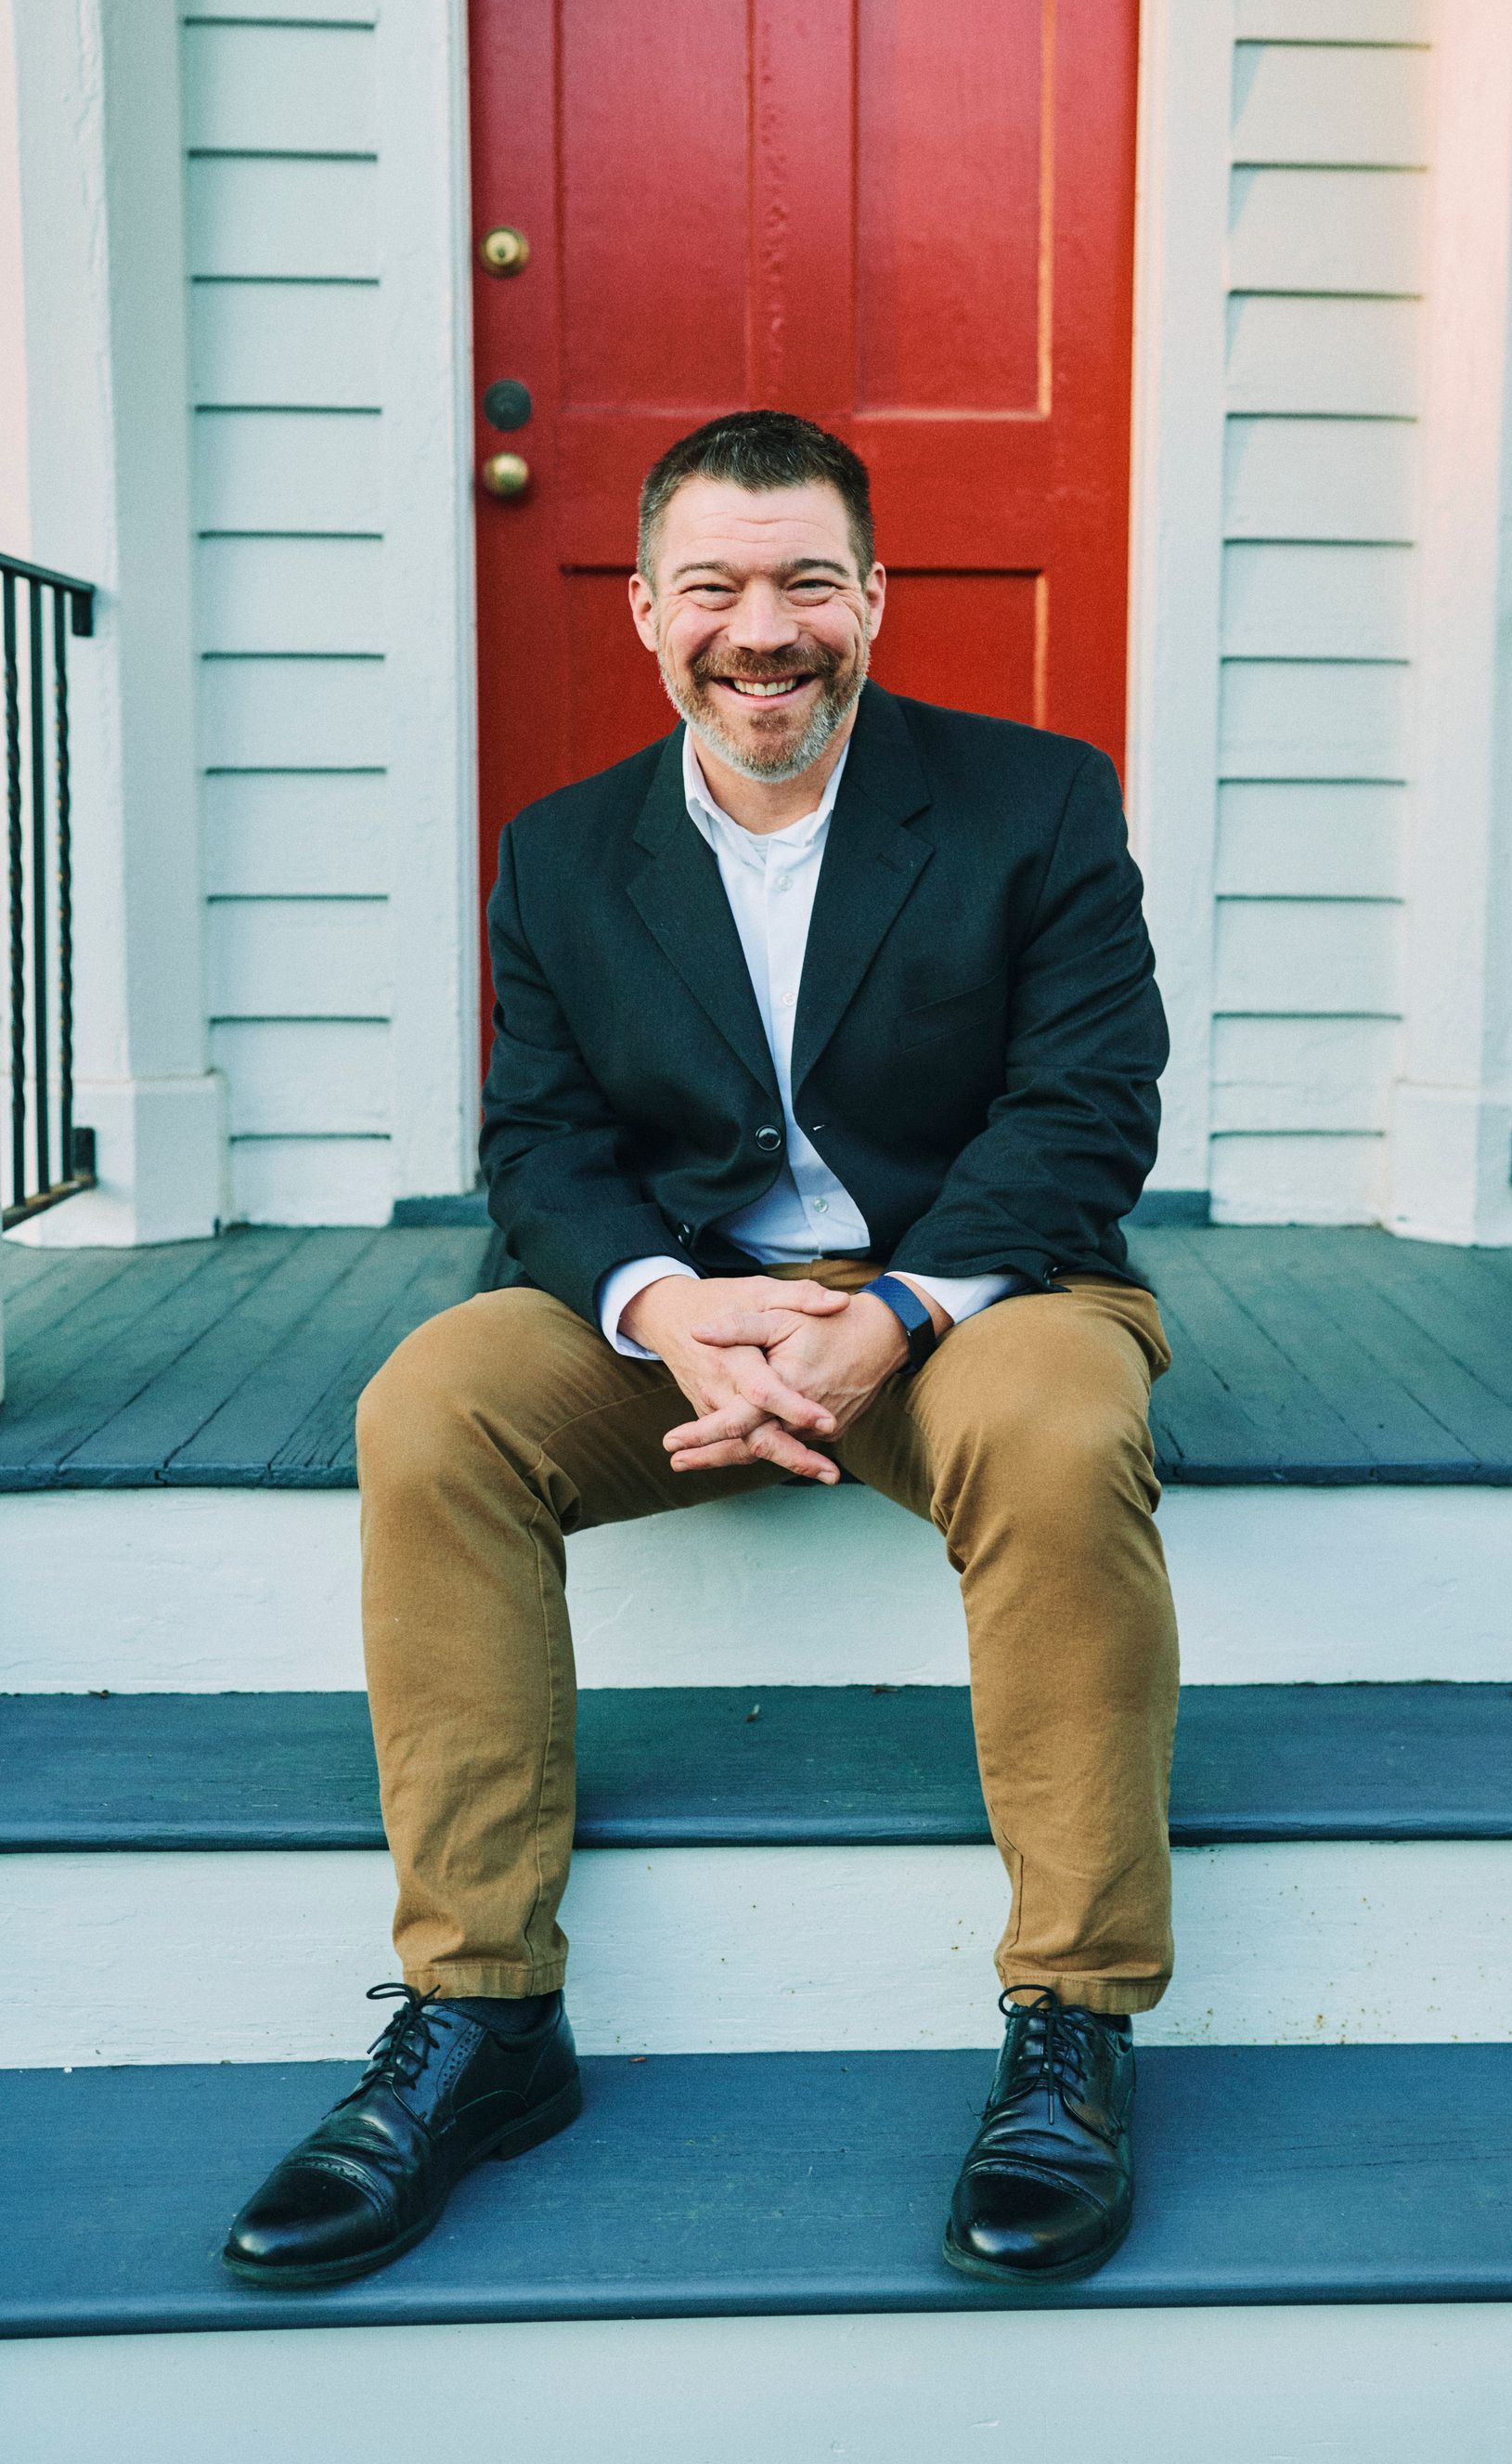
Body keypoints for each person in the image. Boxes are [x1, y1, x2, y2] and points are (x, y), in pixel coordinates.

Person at [223, 409, 1177, 2293]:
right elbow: (543, 1147)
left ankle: (1073, 2022)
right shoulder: (564, 854)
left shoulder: (1037, 802)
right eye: (718, 586)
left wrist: (893, 1316)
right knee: (434, 1404)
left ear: (876, 602)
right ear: (650, 609)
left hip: (975, 1298)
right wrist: (669, 1307)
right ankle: (487, 2018)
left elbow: (1087, 1108)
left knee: (1065, 1442)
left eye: (809, 581)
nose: (767, 628)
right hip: (688, 1315)